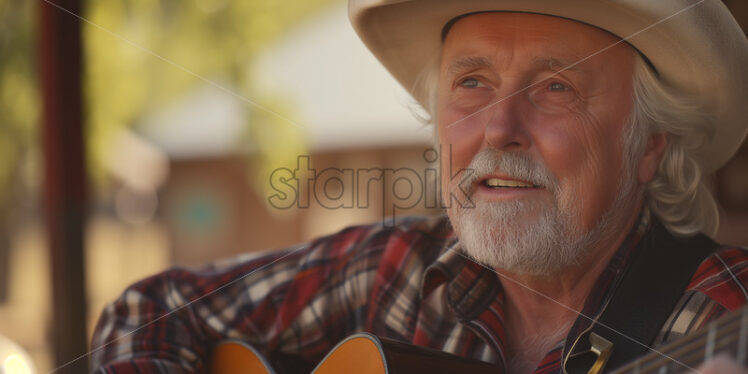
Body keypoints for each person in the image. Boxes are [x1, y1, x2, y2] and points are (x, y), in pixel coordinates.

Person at [91, 0, 748, 373]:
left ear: (649, 144)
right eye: (471, 82)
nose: (499, 127)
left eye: (557, 87)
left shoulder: (726, 314)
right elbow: (150, 310)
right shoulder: (390, 271)